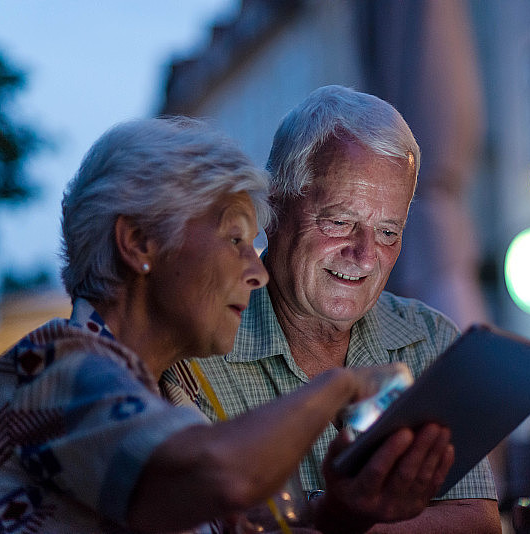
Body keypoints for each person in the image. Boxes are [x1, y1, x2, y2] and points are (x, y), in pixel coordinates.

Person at [0, 117, 454, 533]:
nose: (258, 271)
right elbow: (222, 475)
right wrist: (340, 387)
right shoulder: (57, 368)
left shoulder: (172, 394)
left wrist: (343, 514)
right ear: (139, 242)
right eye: (235, 239)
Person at [194, 85, 502, 533]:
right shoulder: (201, 342)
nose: (364, 254)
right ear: (273, 206)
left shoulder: (429, 338)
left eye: (389, 233)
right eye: (339, 221)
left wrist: (340, 521)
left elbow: (478, 523)